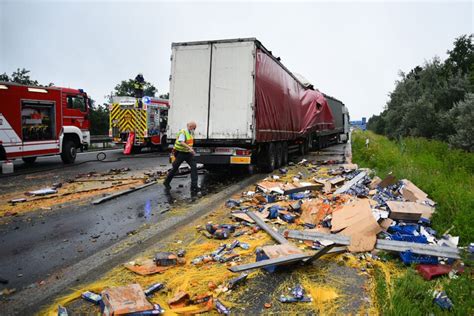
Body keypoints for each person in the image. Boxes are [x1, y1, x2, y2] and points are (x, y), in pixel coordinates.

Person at [163, 121, 199, 192]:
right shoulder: (183, 132)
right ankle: (166, 182)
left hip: (188, 153)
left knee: (194, 167)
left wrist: (190, 149)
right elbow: (181, 142)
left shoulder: (190, 133)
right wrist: (190, 148)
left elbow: (189, 142)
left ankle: (194, 186)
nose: (194, 129)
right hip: (180, 153)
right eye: (194, 128)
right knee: (175, 168)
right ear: (190, 126)